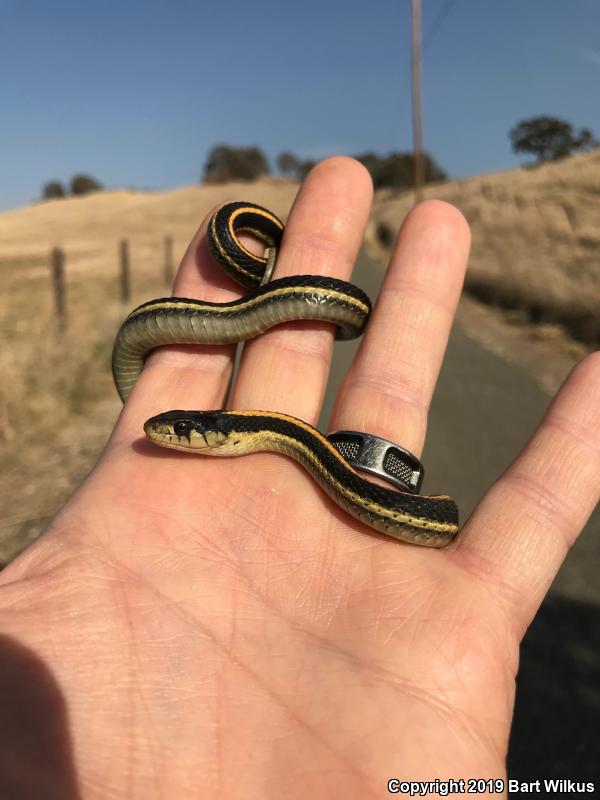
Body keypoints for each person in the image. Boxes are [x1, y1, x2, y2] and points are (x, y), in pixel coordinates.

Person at [0, 158, 597, 798]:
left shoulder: (277, 434)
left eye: (181, 432)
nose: (165, 435)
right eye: (171, 431)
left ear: (223, 435)